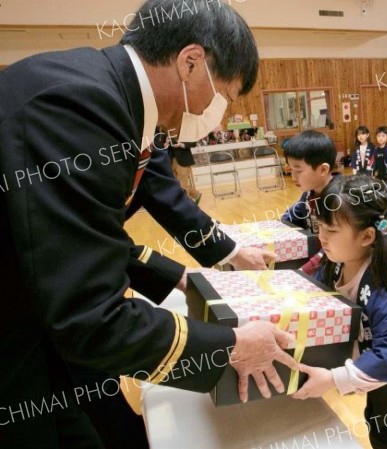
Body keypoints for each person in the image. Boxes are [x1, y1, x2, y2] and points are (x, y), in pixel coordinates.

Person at [0, 2, 297, 447]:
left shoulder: (113, 97)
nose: (219, 114)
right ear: (191, 62)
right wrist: (230, 344)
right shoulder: (80, 108)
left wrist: (179, 276)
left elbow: (78, 242)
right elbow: (92, 318)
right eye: (225, 98)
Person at [292, 175, 387, 449]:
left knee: (382, 431)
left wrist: (332, 379)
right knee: (375, 415)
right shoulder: (336, 260)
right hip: (380, 364)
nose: (322, 237)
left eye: (331, 230)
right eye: (320, 227)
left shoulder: (382, 288)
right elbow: (307, 285)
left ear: (367, 236)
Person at [281, 130, 338, 274]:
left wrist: (303, 272)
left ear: (323, 169)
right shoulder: (308, 195)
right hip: (315, 260)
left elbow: (336, 247)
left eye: (298, 171)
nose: (292, 177)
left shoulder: (340, 200)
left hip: (334, 265)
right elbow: (289, 218)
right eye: (290, 169)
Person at [168, 138, 202, 203]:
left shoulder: (185, 129)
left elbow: (193, 143)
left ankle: (186, 205)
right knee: (175, 185)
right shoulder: (165, 129)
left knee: (182, 185)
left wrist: (181, 144)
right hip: (170, 161)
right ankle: (196, 194)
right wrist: (165, 144)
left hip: (183, 160)